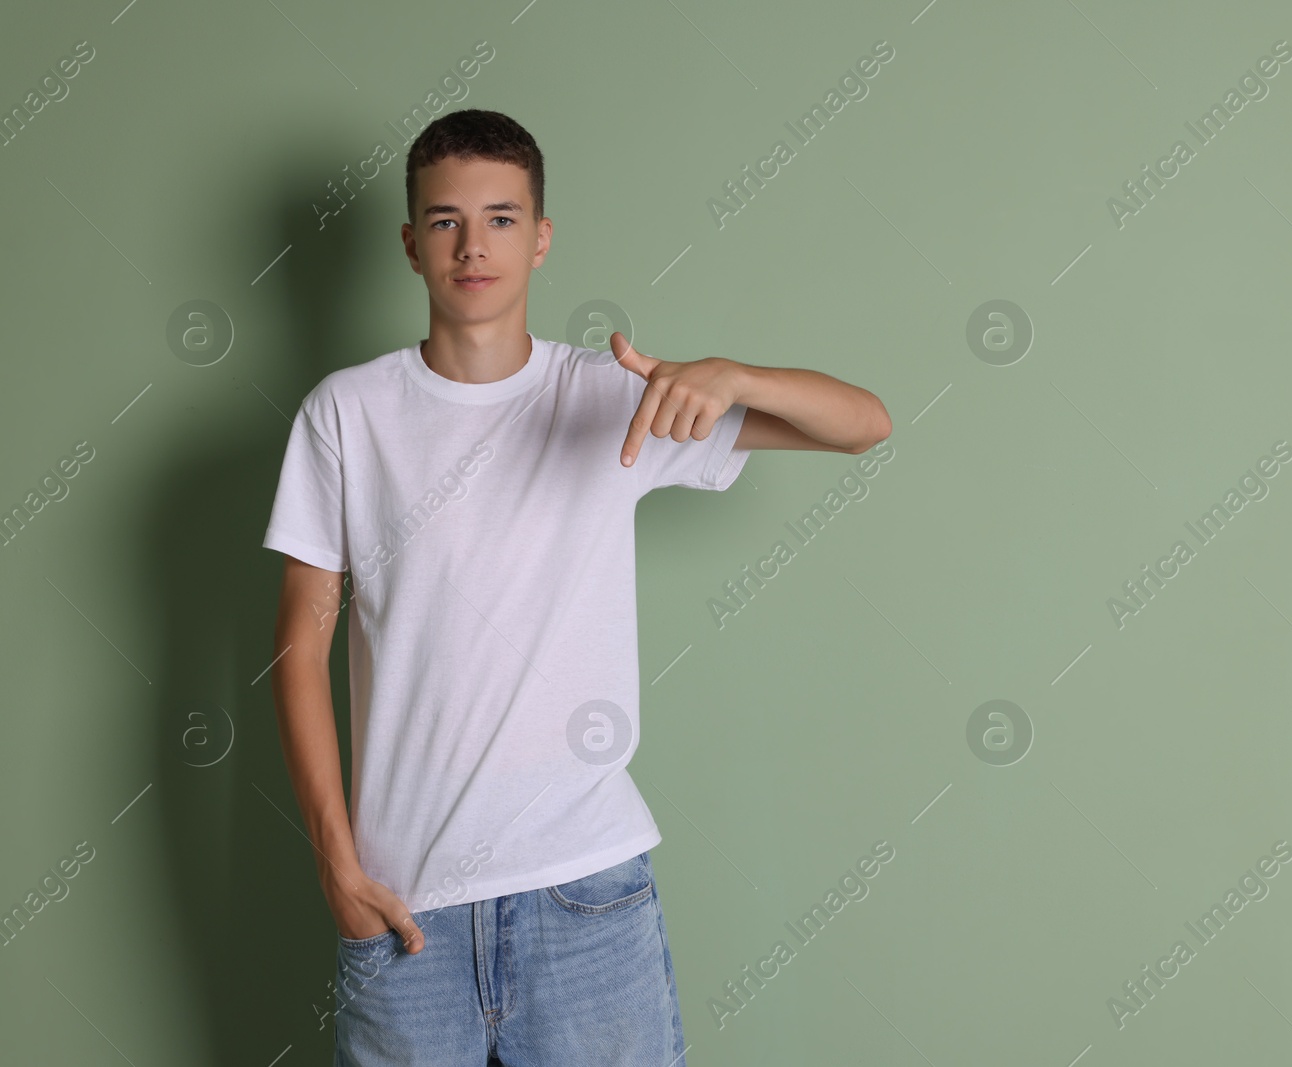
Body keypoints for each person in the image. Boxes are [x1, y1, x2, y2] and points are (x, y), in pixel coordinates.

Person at [263, 108, 891, 1066]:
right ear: (410, 243)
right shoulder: (346, 414)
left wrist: (727, 373)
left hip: (585, 895)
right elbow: (299, 651)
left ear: (542, 238)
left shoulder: (609, 396)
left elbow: (864, 423)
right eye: (445, 220)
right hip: (403, 913)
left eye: (503, 218)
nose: (474, 245)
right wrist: (337, 869)